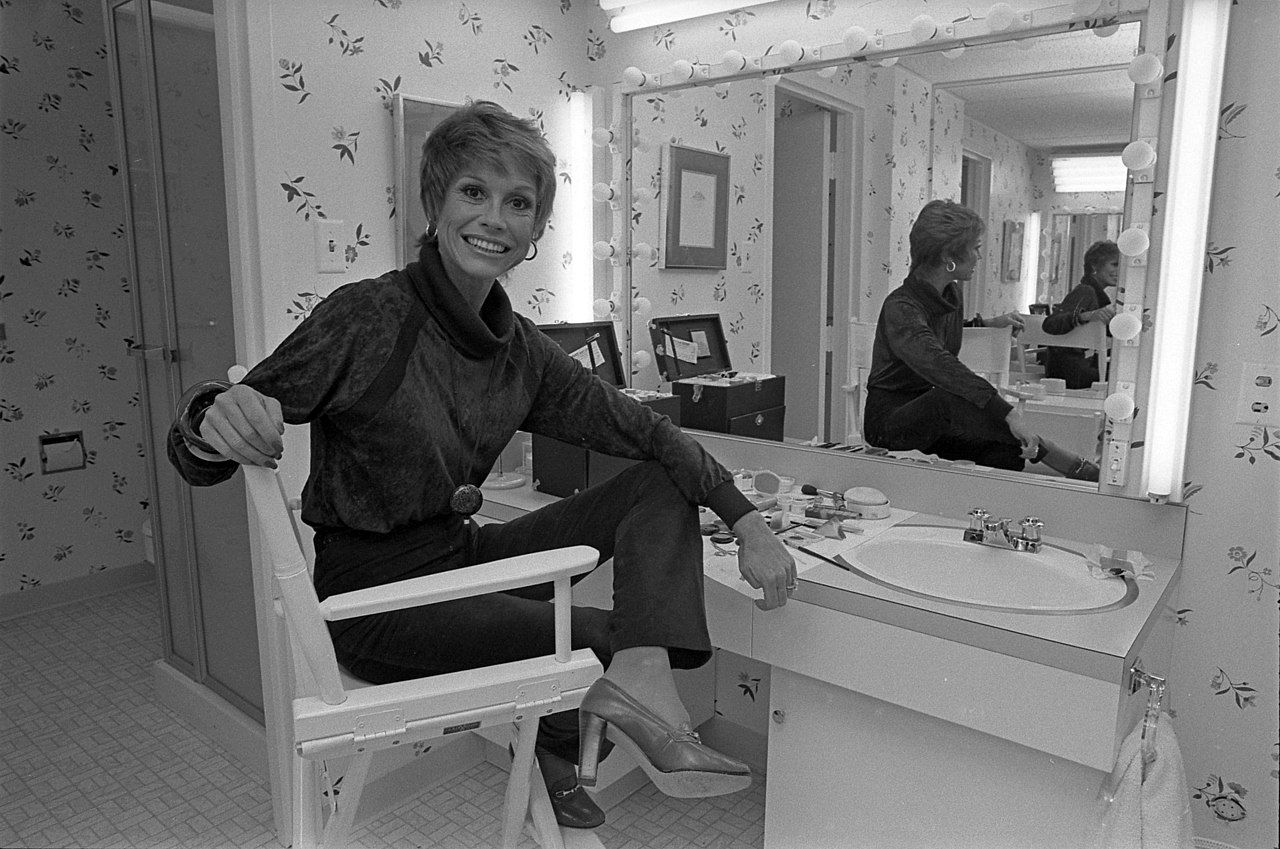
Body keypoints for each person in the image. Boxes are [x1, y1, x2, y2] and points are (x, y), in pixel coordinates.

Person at [167, 101, 794, 828]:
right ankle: (576, 737)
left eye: (518, 203)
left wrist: (747, 520)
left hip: (459, 558)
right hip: (374, 599)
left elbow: (647, 430)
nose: (495, 217)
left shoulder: (521, 349)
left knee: (656, 485)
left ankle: (628, 695)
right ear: (436, 203)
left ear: (533, 232)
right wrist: (214, 413)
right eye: (474, 192)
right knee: (596, 635)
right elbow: (207, 441)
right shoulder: (366, 317)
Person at [862, 199, 1099, 481]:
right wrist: (1008, 414)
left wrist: (985, 324)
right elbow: (939, 363)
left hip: (933, 419)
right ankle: (1062, 459)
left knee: (1002, 449)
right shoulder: (900, 307)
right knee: (951, 396)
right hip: (890, 422)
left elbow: (933, 333)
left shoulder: (950, 295)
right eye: (974, 248)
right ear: (948, 256)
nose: (979, 256)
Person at [1042, 239, 1118, 389]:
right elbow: (1051, 323)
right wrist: (1085, 316)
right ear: (1095, 266)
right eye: (1114, 264)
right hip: (1071, 372)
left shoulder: (1095, 295)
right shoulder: (1086, 291)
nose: (1119, 271)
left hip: (1073, 370)